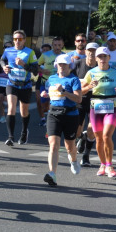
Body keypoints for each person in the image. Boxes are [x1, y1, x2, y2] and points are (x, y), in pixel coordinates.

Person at [80, 46, 116, 178]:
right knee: (99, 139)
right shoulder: (91, 73)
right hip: (96, 107)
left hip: (112, 106)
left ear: (109, 58)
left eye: (104, 57)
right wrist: (90, 86)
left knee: (107, 136)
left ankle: (109, 165)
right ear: (96, 58)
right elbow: (81, 90)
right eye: (99, 57)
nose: (102, 59)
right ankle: (102, 164)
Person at [39, 53, 83, 186]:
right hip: (53, 114)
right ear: (56, 66)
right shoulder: (51, 79)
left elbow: (78, 99)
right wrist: (45, 94)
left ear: (70, 66)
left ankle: (74, 160)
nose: (62, 67)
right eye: (60, 64)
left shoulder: (73, 80)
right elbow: (50, 93)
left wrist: (64, 91)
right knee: (53, 144)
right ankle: (52, 173)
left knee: (70, 146)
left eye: (65, 64)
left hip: (70, 115)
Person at [0, 30, 39, 145]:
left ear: (24, 40)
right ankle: (10, 137)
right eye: (15, 39)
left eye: (20, 39)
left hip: (26, 85)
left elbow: (36, 71)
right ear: (13, 40)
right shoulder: (8, 51)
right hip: (12, 83)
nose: (17, 41)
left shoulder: (30, 52)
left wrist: (24, 65)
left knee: (24, 111)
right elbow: (2, 60)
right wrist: (4, 67)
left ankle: (24, 132)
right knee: (11, 108)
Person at [74, 42, 99, 166]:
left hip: (95, 102)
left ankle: (86, 156)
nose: (92, 53)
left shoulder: (102, 67)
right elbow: (71, 82)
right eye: (89, 50)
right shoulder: (78, 64)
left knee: (92, 129)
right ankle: (81, 138)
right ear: (85, 51)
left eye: (94, 51)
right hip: (80, 101)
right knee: (76, 132)